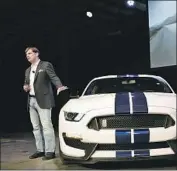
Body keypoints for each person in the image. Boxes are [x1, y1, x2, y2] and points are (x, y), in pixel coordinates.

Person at [23, 47, 67, 160]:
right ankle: (40, 150)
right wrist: (25, 87)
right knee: (36, 127)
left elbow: (53, 77)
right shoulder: (28, 70)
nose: (27, 56)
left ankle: (50, 151)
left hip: (43, 100)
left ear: (36, 54)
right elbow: (26, 83)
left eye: (29, 53)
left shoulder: (45, 65)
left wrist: (59, 86)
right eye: (26, 54)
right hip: (31, 101)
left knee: (46, 126)